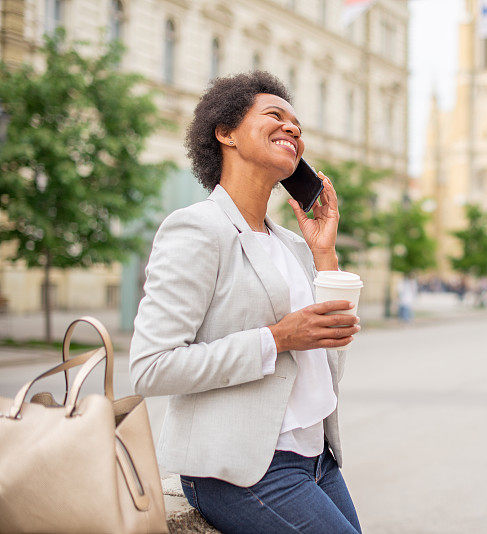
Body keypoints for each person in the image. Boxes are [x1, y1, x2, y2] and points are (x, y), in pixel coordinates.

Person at [129, 72, 362, 533]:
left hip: (316, 458)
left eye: (297, 124)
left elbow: (331, 347)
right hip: (245, 468)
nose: (292, 129)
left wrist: (324, 252)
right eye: (275, 116)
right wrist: (276, 339)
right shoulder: (196, 230)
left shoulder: (295, 247)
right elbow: (150, 367)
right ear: (225, 132)